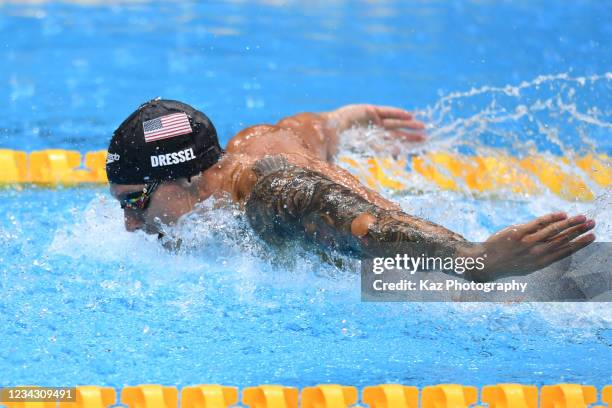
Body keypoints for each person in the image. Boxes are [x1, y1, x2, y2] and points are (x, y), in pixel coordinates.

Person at [106, 99, 596, 282]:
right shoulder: (251, 142)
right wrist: (352, 117)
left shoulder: (275, 195)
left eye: (135, 200)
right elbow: (318, 124)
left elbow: (375, 228)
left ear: (186, 177)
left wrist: (479, 261)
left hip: (438, 266)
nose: (129, 221)